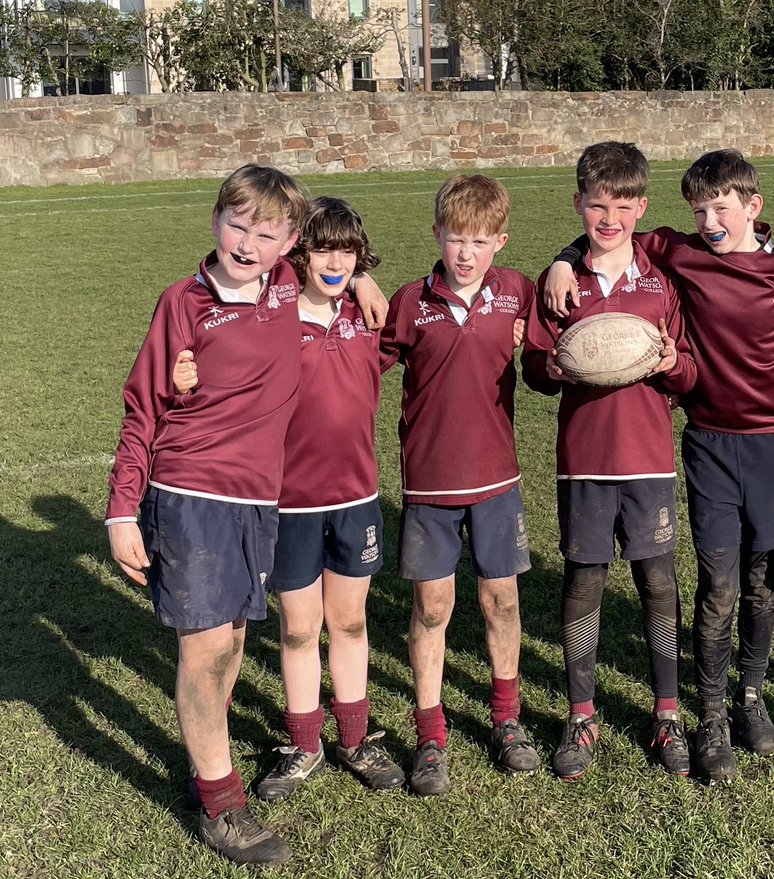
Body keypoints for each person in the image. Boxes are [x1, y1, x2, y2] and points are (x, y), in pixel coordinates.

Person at [542, 149, 774, 782]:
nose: (710, 222)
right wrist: (561, 258)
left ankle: (750, 697)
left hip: (773, 445)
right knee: (718, 583)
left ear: (753, 206)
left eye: (721, 209)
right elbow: (612, 232)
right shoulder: (679, 252)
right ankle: (711, 715)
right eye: (699, 211)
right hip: (708, 443)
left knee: (760, 580)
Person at [106, 164, 310, 866]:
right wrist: (121, 512)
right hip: (191, 492)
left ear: (289, 242)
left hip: (259, 499)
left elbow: (342, 247)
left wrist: (365, 280)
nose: (247, 243)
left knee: (233, 638)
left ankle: (206, 758)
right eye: (236, 224)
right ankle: (221, 807)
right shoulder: (184, 303)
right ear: (215, 220)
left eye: (265, 233)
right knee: (206, 647)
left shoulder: (288, 285)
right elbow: (143, 408)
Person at [173, 197, 405, 802]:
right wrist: (185, 372)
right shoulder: (274, 318)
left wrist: (362, 279)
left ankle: (356, 737)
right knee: (299, 629)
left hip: (357, 498)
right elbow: (227, 303)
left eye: (347, 252)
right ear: (298, 254)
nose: (335, 263)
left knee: (350, 621)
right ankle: (305, 744)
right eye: (322, 250)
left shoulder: (367, 317)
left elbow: (418, 333)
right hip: (290, 504)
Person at [522, 142, 697, 781]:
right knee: (584, 581)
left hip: (648, 460)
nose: (610, 219)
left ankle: (668, 712)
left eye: (623, 207)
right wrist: (552, 366)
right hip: (584, 462)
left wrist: (673, 364)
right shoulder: (562, 285)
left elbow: (690, 372)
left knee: (658, 581)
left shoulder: (661, 283)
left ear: (641, 207)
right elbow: (534, 368)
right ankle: (581, 714)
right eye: (598, 206)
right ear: (578, 204)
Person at [377, 175, 538, 796]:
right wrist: (359, 279)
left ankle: (506, 719)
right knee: (432, 608)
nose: (465, 253)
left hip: (498, 481)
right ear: (436, 235)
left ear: (500, 241)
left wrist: (563, 265)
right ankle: (431, 735)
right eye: (454, 239)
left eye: (478, 241)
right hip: (429, 485)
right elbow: (359, 360)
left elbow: (561, 334)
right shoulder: (409, 303)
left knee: (502, 601)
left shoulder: (517, 292)